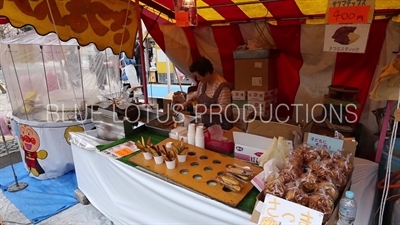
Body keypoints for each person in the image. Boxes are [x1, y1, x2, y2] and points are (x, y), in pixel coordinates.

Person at [179, 56, 233, 130]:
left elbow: (225, 110)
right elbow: (197, 95)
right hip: (207, 125)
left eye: (198, 76)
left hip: (221, 128)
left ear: (207, 73)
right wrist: (184, 104)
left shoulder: (222, 86)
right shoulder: (203, 83)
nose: (198, 79)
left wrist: (205, 110)